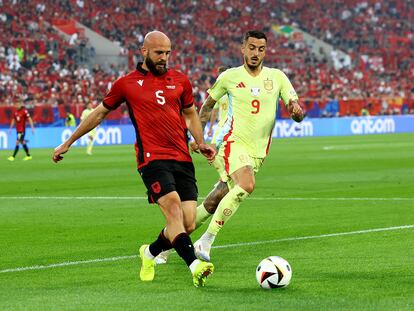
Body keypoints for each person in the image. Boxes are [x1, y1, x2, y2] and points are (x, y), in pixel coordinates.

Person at [52, 31, 216, 287]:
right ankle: (195, 265)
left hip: (182, 157)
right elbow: (98, 114)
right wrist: (68, 142)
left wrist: (201, 141)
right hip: (151, 159)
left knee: (187, 222)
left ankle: (149, 252)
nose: (164, 58)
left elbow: (191, 113)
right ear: (144, 51)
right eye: (159, 53)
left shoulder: (181, 80)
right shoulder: (126, 84)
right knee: (173, 213)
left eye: (168, 53)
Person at [156, 30, 304, 263]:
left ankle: (164, 245)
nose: (256, 53)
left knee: (215, 200)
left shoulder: (277, 77)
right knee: (246, 184)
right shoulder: (229, 77)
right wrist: (199, 138)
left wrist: (297, 113)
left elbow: (296, 108)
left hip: (258, 152)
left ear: (266, 51)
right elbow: (205, 107)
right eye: (252, 48)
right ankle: (206, 240)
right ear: (243, 48)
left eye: (261, 49)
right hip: (231, 142)